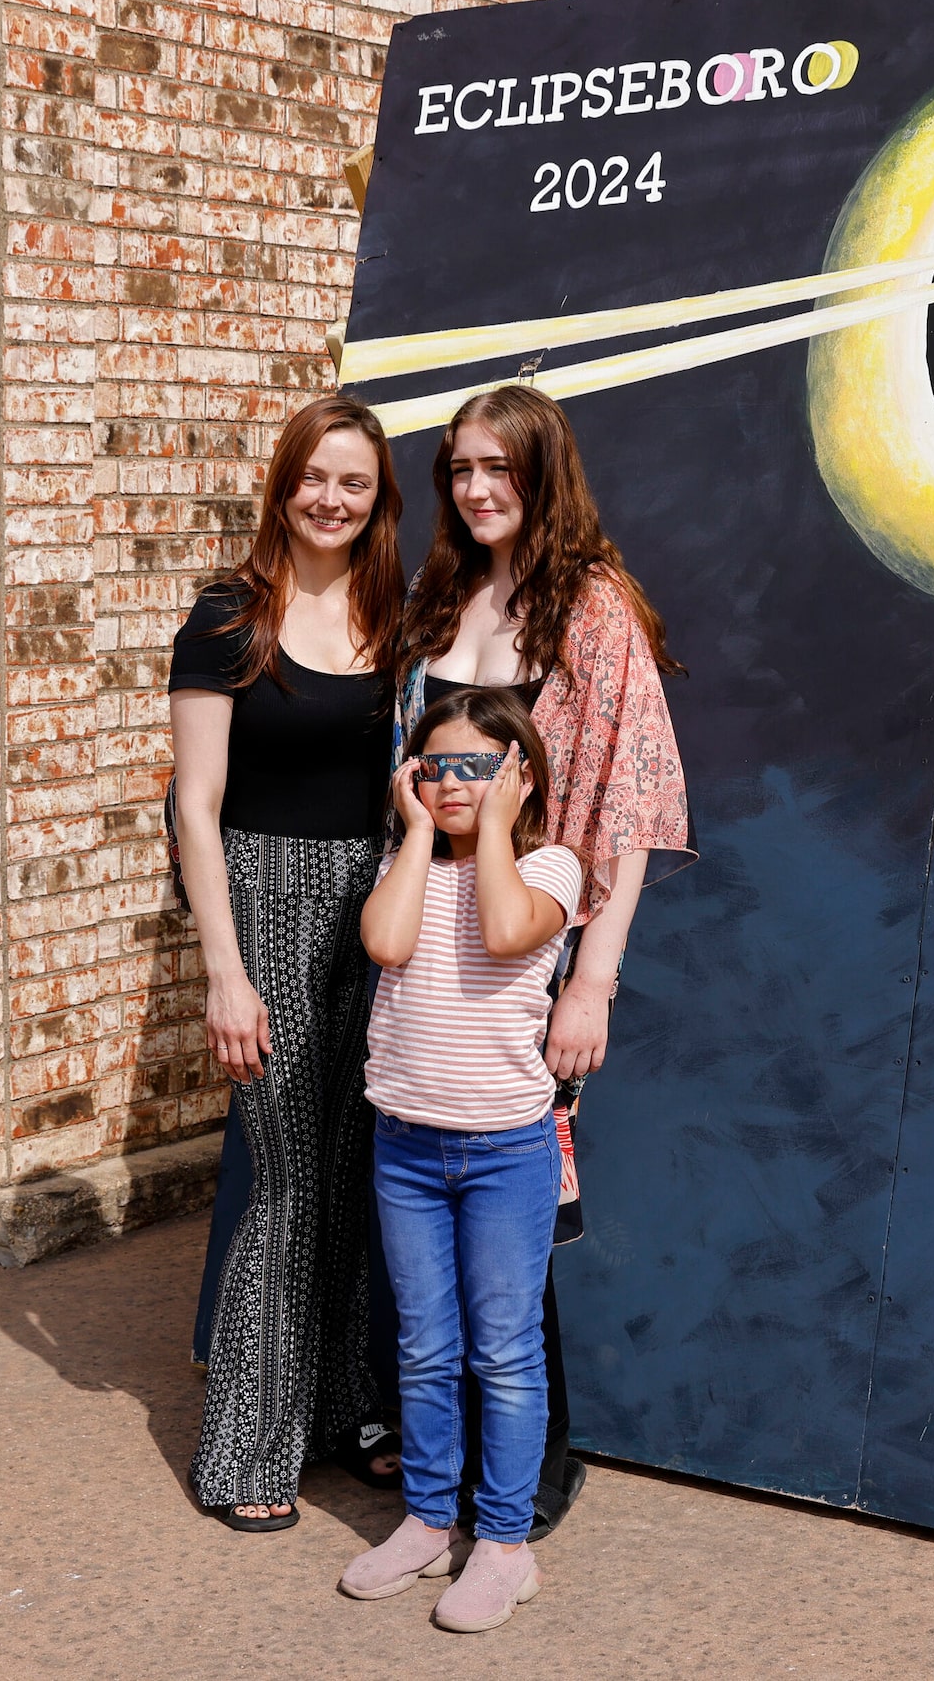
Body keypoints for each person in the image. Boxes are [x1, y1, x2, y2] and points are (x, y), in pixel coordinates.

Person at [394, 383, 693, 1534]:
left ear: (541, 474)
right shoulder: (445, 596)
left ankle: (529, 1478)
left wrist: (592, 978)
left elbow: (626, 802)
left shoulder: (593, 609)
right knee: (427, 1204)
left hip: (529, 951)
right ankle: (439, 1469)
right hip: (427, 950)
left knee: (519, 1218)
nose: (475, 490)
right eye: (459, 469)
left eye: (497, 470)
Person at [169, 394, 405, 1529]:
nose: (331, 499)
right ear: (283, 483)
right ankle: (247, 1452)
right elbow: (194, 804)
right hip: (259, 896)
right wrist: (224, 969)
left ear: (377, 499)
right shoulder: (226, 616)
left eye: (353, 482)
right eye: (315, 476)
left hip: (373, 899)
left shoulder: (396, 615)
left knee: (357, 1161)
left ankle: (341, 1406)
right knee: (285, 1173)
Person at [342, 690, 585, 1633]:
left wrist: (495, 823)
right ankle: (428, 1521)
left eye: (477, 767)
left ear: (520, 776)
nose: (452, 784)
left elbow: (503, 931)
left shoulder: (549, 867)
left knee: (506, 1355)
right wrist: (413, 835)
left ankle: (504, 1545)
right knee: (425, 1347)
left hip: (502, 1156)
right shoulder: (406, 865)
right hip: (405, 1145)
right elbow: (385, 942)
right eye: (435, 766)